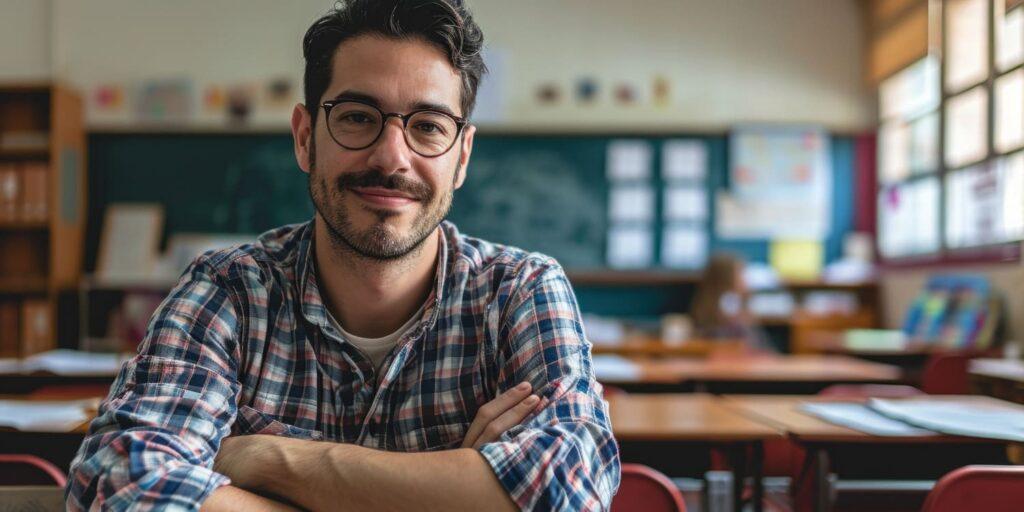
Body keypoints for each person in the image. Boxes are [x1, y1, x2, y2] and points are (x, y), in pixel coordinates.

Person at [65, 1, 620, 510]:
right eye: (357, 116)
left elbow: (569, 486)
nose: (391, 156)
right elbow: (120, 484)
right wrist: (461, 489)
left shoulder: (519, 290)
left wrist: (266, 460)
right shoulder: (229, 289)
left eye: (428, 126)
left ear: (462, 157)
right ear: (306, 137)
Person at [689, 253, 768, 350]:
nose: (746, 280)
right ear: (726, 279)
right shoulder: (720, 317)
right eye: (741, 274)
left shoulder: (742, 308)